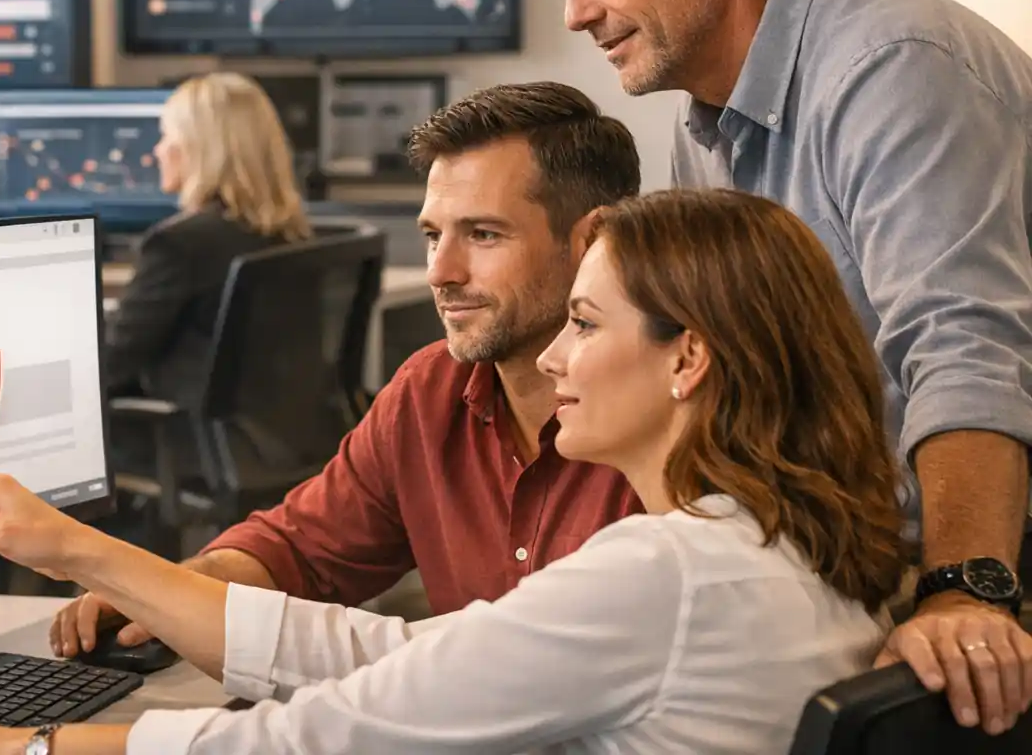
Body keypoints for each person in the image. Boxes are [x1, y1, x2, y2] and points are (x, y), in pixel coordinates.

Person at [0, 189, 909, 755]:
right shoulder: (780, 544)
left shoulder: (665, 573)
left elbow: (330, 734)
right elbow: (388, 650)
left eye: (584, 322)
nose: (555, 357)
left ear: (689, 356)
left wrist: (28, 744)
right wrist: (75, 549)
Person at [519, 0, 1032, 734]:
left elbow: (967, 347)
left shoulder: (892, 63)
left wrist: (964, 591)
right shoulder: (703, 128)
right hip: (844, 571)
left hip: (983, 571)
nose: (577, 11)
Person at [55, 82, 644, 658]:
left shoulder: (672, 415)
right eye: (433, 236)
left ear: (591, 240)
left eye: (484, 234)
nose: (442, 272)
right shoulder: (429, 391)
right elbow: (298, 551)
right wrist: (162, 591)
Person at [102, 72, 311, 417]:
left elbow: (111, 365)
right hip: (274, 438)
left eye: (167, 136)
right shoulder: (289, 231)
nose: (158, 150)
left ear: (198, 149)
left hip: (180, 440)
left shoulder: (178, 245)